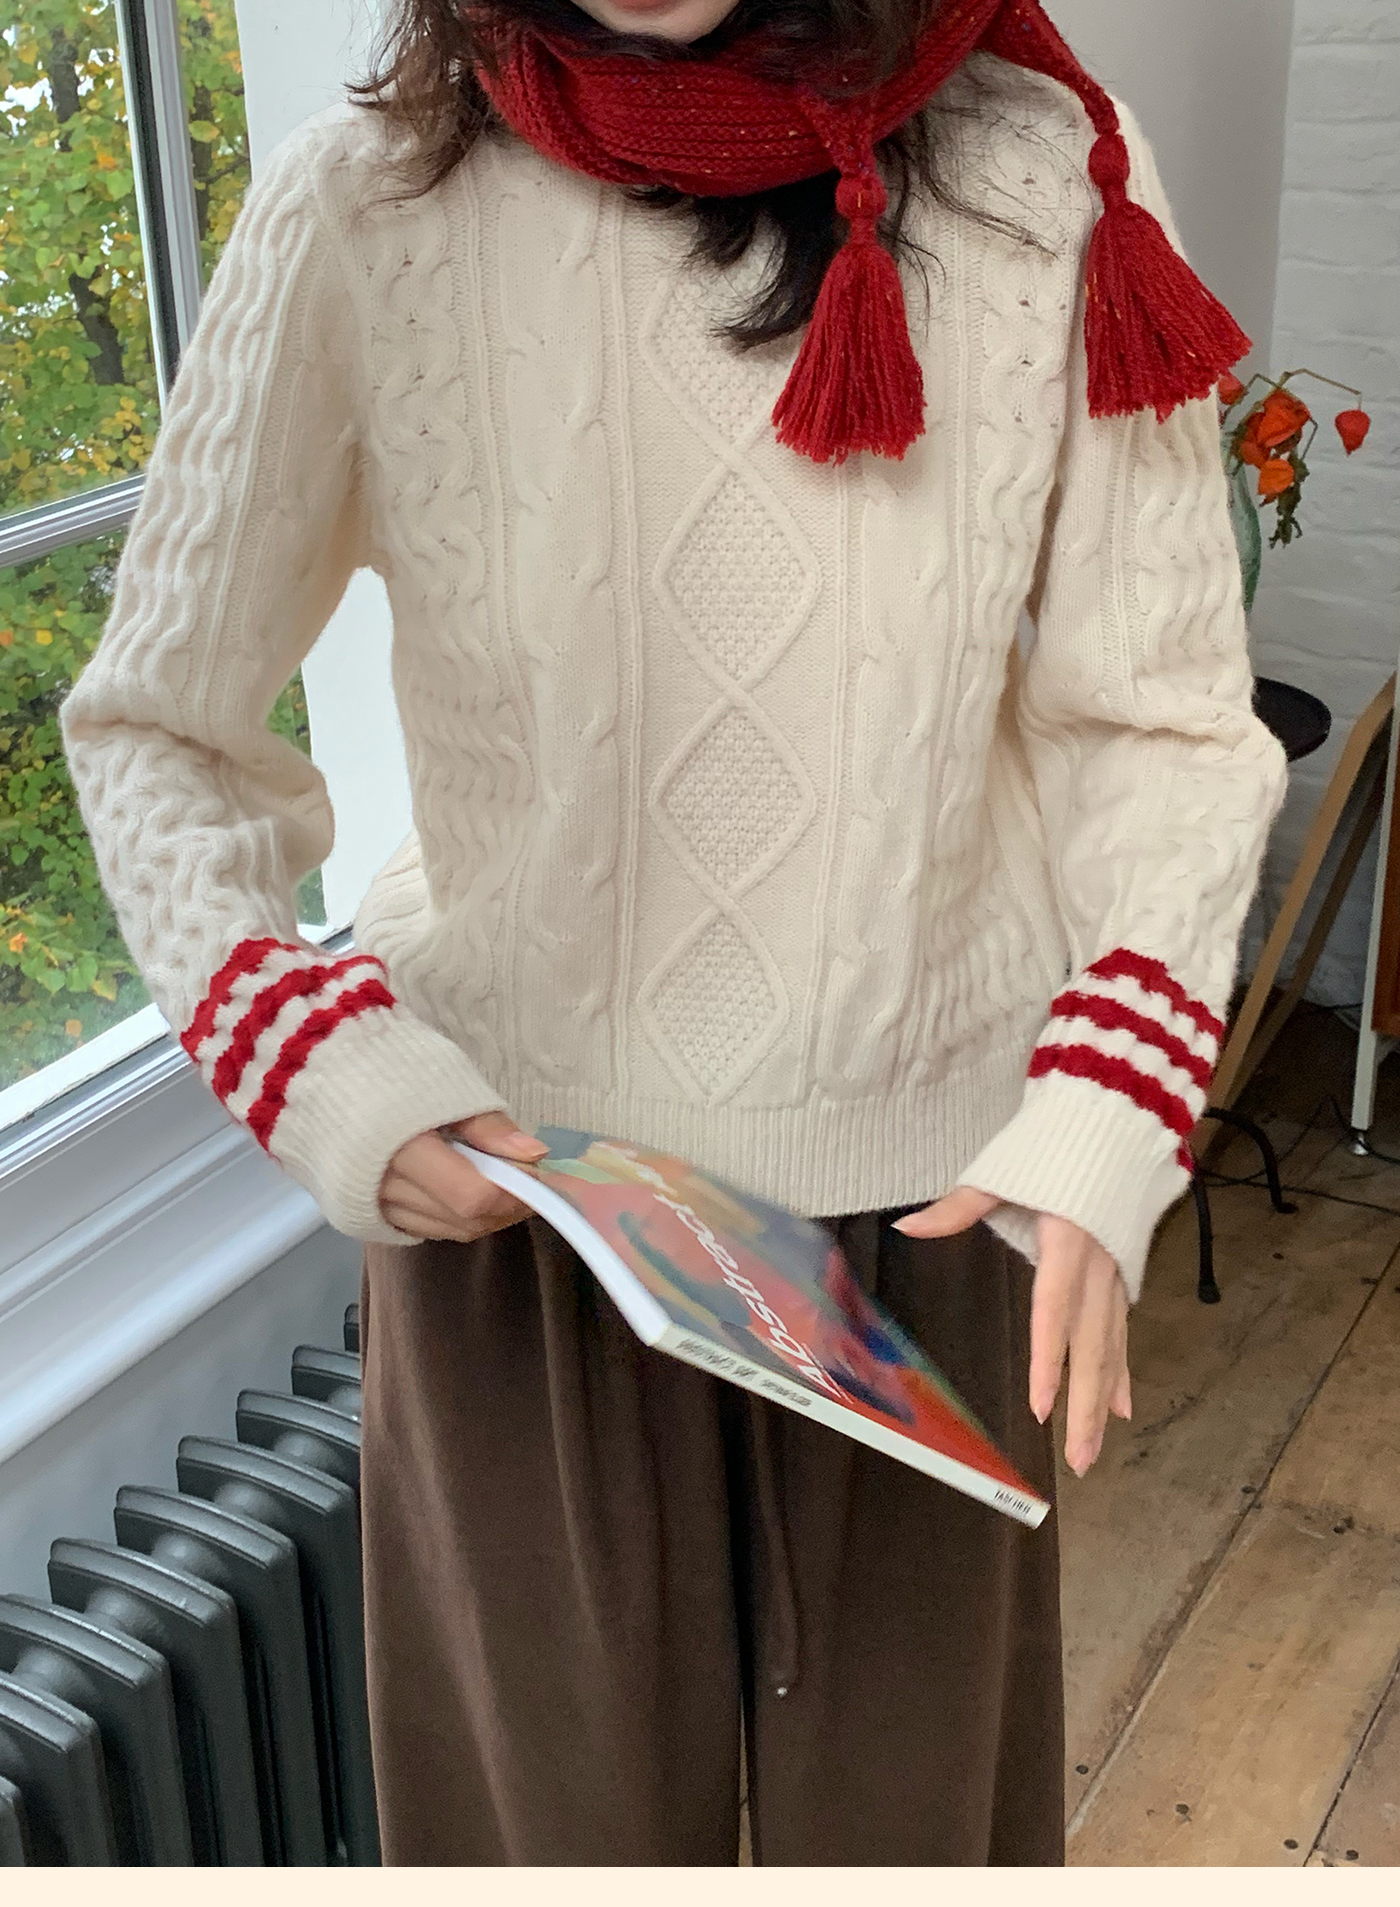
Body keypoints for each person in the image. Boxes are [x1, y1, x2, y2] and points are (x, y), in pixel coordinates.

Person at [61, 0, 1288, 1866]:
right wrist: (321, 1064)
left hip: (927, 1216)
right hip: (526, 1216)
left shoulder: (1049, 178)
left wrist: (1112, 1098)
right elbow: (159, 724)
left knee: (916, 1855)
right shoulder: (365, 206)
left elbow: (1165, 719)